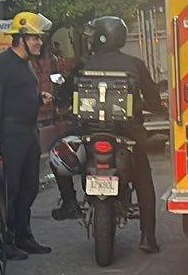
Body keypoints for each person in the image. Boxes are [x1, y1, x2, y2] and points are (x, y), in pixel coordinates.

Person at [50, 17, 167, 253]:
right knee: (144, 180)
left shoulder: (84, 63)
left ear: (102, 37)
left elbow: (64, 94)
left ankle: (70, 203)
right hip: (128, 133)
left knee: (59, 152)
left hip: (88, 131)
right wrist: (157, 108)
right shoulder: (134, 64)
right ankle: (147, 237)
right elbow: (153, 98)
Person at [0, 13, 55, 258]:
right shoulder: (1, 64)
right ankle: (6, 239)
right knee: (10, 188)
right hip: (10, 134)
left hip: (29, 132)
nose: (39, 43)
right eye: (35, 38)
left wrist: (39, 99)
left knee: (29, 187)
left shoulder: (27, 64)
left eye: (39, 38)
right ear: (20, 38)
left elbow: (21, 97)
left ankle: (23, 235)